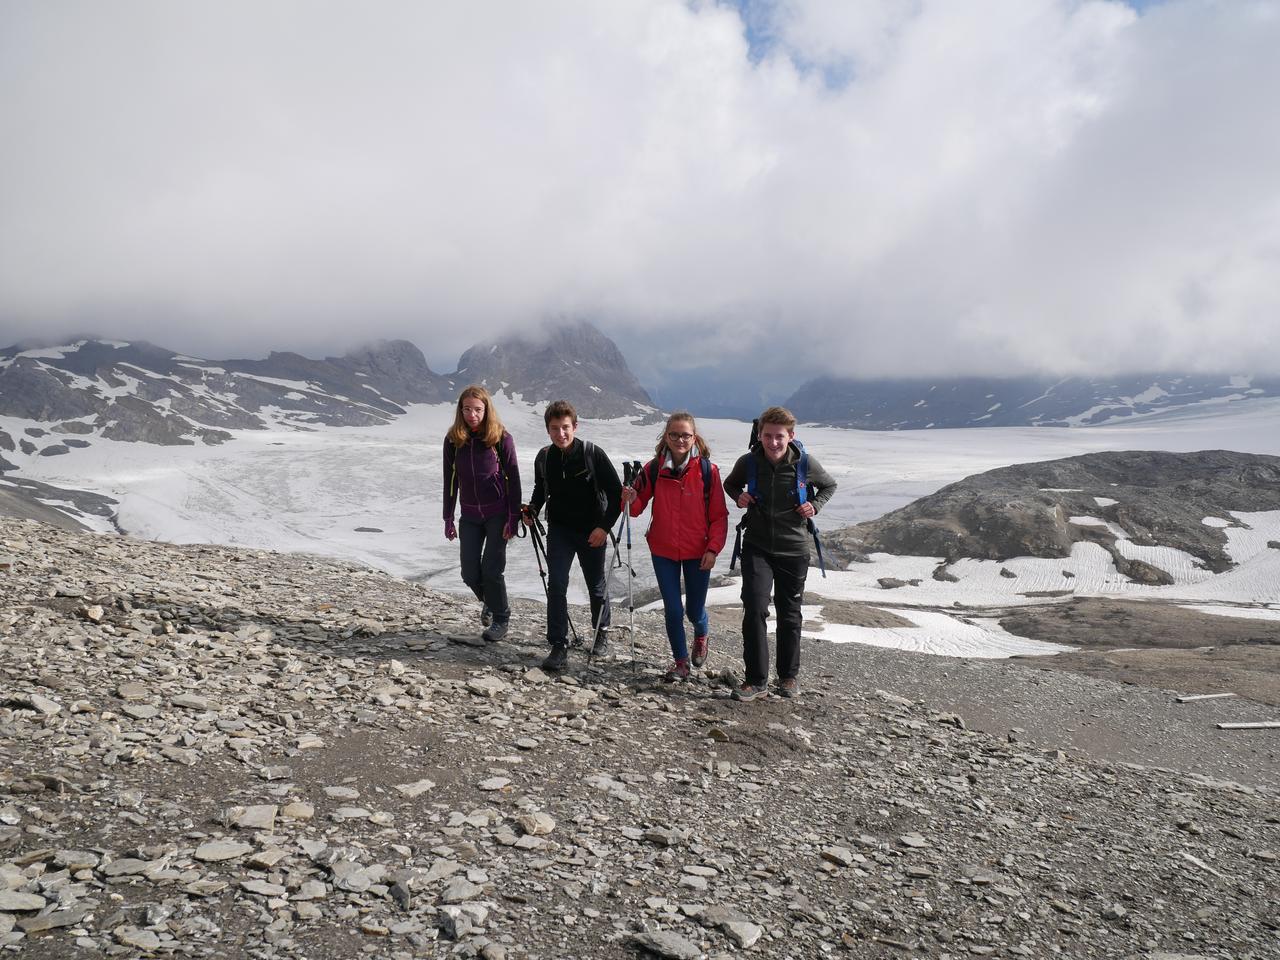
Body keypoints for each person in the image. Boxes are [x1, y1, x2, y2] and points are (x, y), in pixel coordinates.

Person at [723, 406, 836, 700]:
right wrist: (740, 497)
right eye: (768, 436)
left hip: (794, 548)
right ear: (759, 435)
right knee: (755, 608)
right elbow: (731, 484)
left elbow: (828, 485)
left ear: (791, 436)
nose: (773, 442)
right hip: (757, 546)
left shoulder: (805, 464)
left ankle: (787, 677)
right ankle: (756, 680)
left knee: (790, 613)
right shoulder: (748, 462)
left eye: (779, 437)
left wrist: (815, 506)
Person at [623, 411, 729, 681]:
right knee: (672, 608)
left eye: (685, 435)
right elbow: (635, 509)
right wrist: (629, 497)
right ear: (666, 437)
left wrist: (713, 549)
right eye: (674, 434)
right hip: (663, 549)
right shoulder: (654, 469)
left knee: (694, 610)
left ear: (694, 437)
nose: (680, 440)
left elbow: (718, 515)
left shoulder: (708, 471)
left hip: (698, 551)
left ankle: (701, 632)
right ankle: (680, 663)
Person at [524, 400, 623, 672]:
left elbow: (616, 495)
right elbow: (540, 490)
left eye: (565, 427)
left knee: (596, 585)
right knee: (556, 583)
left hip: (592, 530)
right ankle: (558, 645)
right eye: (555, 428)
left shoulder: (592, 454)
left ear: (575, 426)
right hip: (560, 530)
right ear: (548, 429)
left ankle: (600, 630)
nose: (561, 434)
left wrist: (604, 527)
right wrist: (532, 509)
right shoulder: (545, 458)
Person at [442, 385, 521, 643]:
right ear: (460, 410)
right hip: (470, 515)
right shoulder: (454, 440)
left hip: (498, 513)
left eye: (477, 409)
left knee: (492, 569)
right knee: (469, 573)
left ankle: (501, 618)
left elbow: (514, 480)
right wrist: (448, 517)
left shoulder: (501, 438)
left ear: (486, 409)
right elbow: (450, 481)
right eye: (466, 409)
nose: (472, 414)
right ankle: (489, 600)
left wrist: (513, 518)